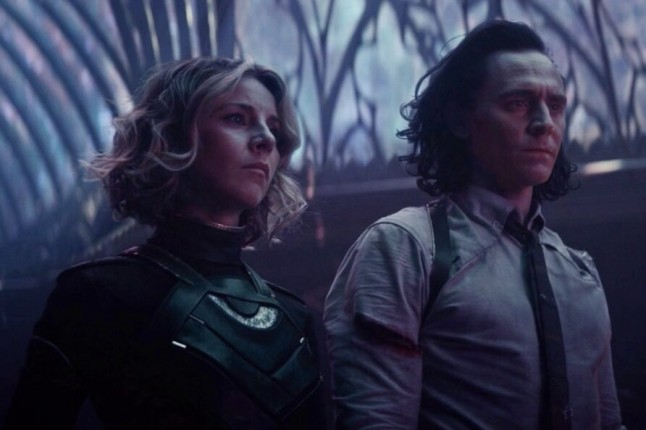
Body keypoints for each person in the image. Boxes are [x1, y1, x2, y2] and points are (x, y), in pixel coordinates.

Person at [323, 20, 625, 430]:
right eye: (517, 103)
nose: (545, 122)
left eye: (555, 106)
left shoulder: (579, 271)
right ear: (460, 119)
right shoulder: (405, 246)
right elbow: (376, 420)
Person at [5, 57, 323, 429]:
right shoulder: (98, 293)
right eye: (237, 118)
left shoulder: (293, 316)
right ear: (172, 136)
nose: (266, 140)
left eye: (273, 128)